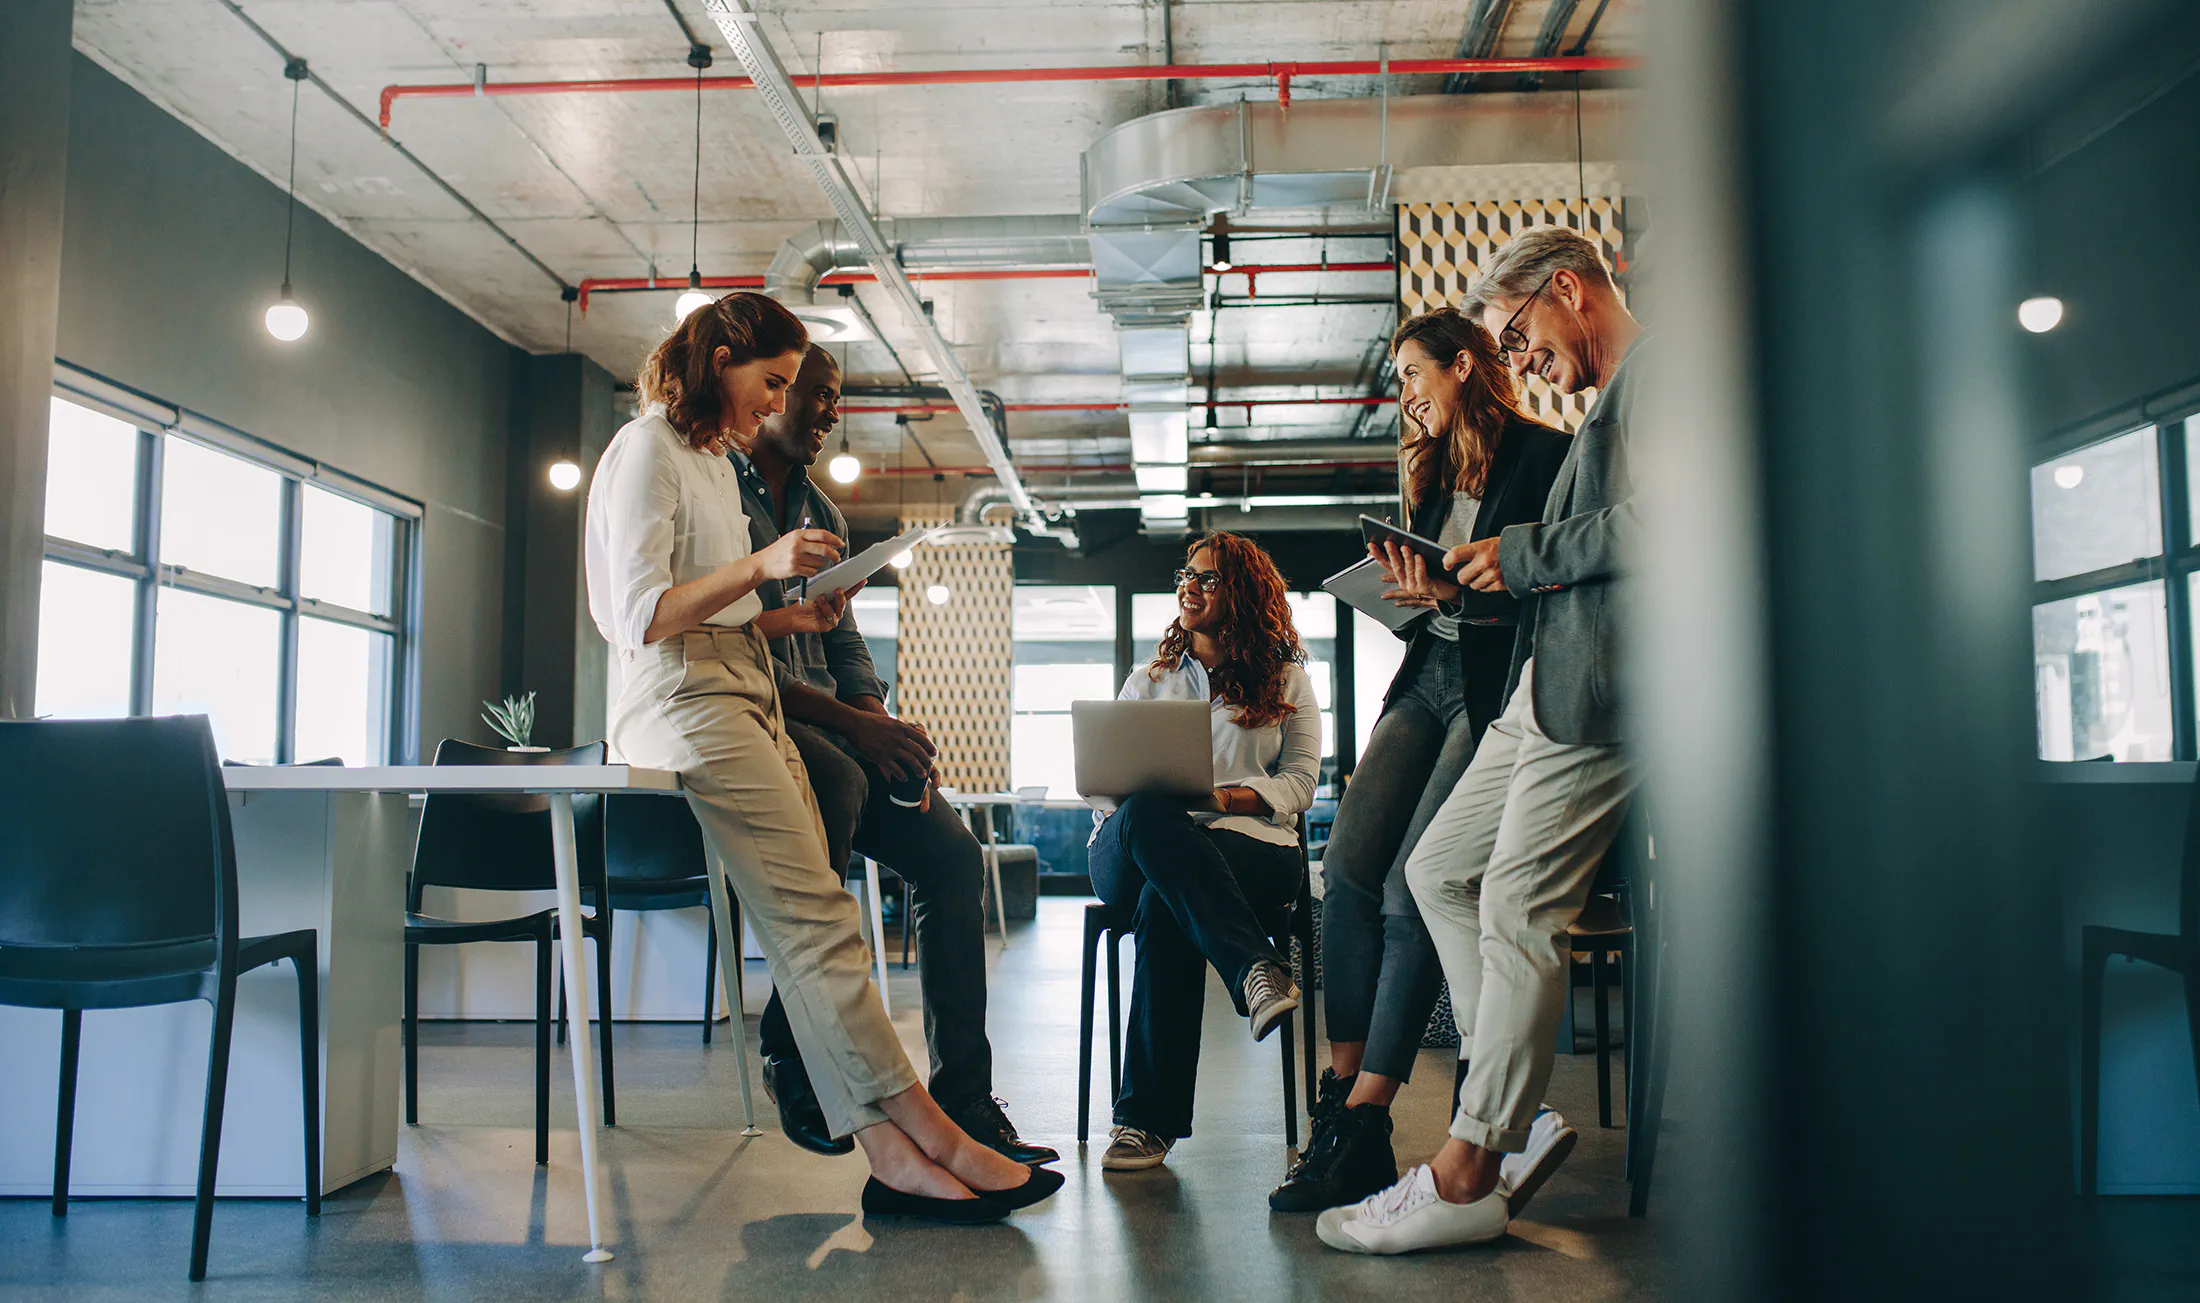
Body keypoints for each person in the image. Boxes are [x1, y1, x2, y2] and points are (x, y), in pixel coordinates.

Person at [584, 291, 1060, 1223]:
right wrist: (764, 570)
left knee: (821, 920)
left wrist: (786, 612)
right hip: (684, 698)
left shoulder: (712, 461)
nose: (772, 404)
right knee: (818, 918)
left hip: (743, 680)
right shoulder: (645, 447)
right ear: (719, 356)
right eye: (770, 383)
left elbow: (718, 605)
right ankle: (932, 1132)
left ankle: (891, 1151)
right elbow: (634, 615)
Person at [1317, 225, 1641, 1255]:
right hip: (1544, 683)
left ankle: (1469, 1163)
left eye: (1517, 333)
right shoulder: (1602, 406)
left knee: (1512, 898)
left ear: (1569, 291)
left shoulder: (1659, 378)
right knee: (1441, 869)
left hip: (1597, 688)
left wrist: (1523, 553)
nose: (1520, 360)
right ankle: (1518, 1104)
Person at [1269, 309, 1573, 1214]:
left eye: (1412, 372)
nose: (1403, 392)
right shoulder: (1433, 470)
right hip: (1428, 671)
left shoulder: (1545, 455)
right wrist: (1409, 594)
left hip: (1493, 684)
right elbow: (1437, 590)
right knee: (1348, 866)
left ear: (1465, 365)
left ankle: (1367, 1117)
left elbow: (1546, 602)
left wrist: (1451, 594)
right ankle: (1341, 1100)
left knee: (1412, 882)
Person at [727, 346, 1054, 1165]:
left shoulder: (825, 516)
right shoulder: (716, 495)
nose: (829, 412)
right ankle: (788, 1044)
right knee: (836, 778)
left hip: (832, 721)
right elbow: (735, 652)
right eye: (816, 396)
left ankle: (966, 1102)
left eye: (836, 399)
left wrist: (884, 727)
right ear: (768, 393)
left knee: (952, 858)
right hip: (757, 717)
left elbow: (848, 651)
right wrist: (856, 728)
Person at [1092, 531, 1322, 1172]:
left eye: (1208, 578)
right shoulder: (1150, 680)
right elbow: (1108, 784)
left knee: (1170, 905)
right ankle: (1255, 966)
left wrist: (1230, 799)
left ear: (1244, 593)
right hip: (1131, 848)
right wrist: (1158, 803)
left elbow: (1302, 783)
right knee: (1148, 815)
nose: (1189, 586)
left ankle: (1143, 1125)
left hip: (1247, 848)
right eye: (1185, 574)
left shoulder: (1287, 681)